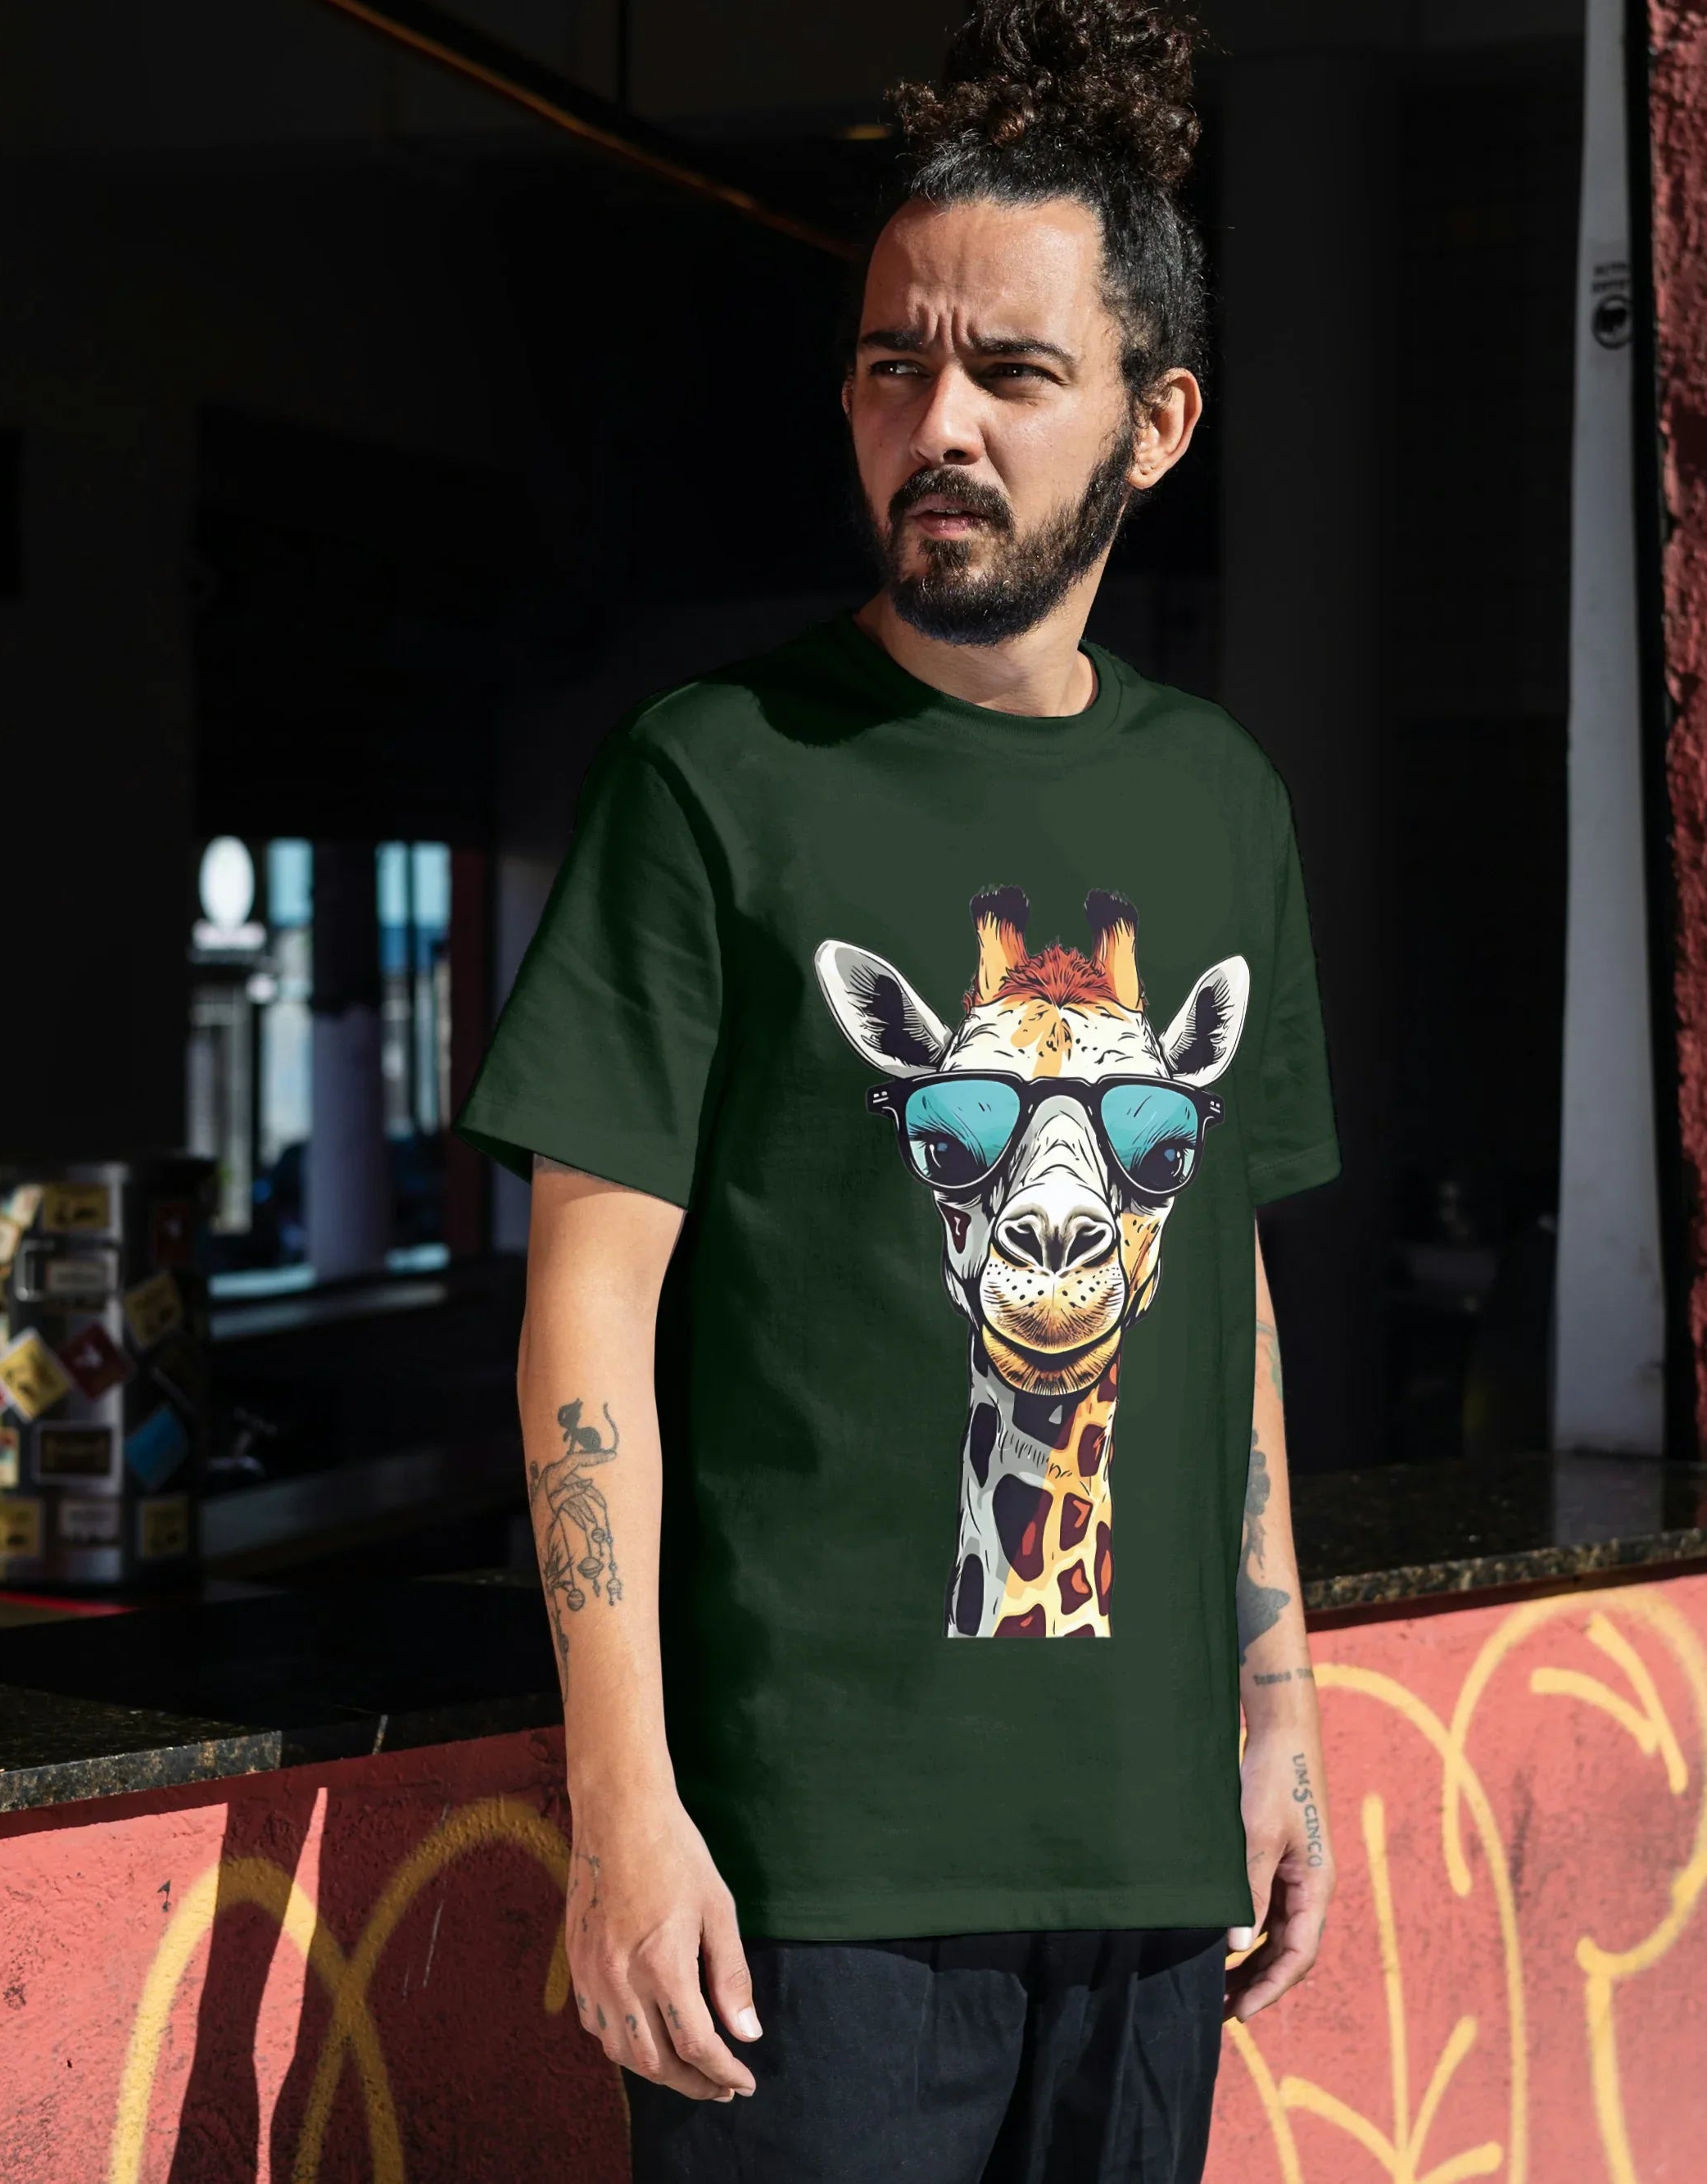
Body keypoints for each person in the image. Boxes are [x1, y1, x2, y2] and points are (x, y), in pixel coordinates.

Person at [455, 4, 1336, 2173]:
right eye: (889, 365)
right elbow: (586, 1308)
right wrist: (624, 1800)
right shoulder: (713, 777)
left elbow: (1222, 1278)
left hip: (1144, 1864)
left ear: (1157, 420)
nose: (935, 425)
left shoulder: (1220, 803)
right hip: (806, 1883)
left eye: (1013, 373)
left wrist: (1280, 1707)